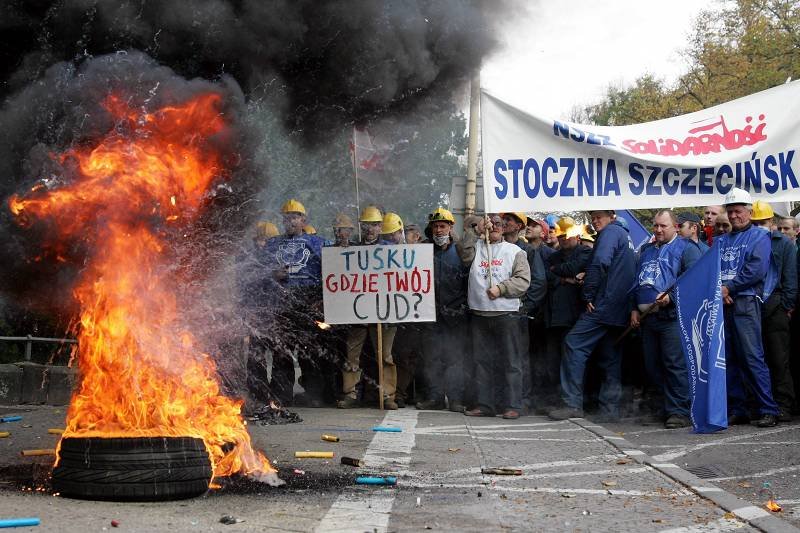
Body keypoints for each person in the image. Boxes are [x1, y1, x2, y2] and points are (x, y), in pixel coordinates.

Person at [549, 210, 635, 422]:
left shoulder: (610, 233)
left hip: (603, 304)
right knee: (609, 356)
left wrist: (588, 294)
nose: (595, 221)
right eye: (593, 217)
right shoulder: (625, 236)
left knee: (573, 343)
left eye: (599, 217)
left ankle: (572, 404)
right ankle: (610, 410)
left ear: (611, 216)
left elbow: (600, 263)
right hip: (620, 306)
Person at [630, 210, 702, 429]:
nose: (658, 230)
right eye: (656, 226)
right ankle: (664, 407)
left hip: (672, 317)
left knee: (674, 364)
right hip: (648, 318)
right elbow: (638, 282)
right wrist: (633, 308)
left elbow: (694, 281)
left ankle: (679, 411)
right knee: (652, 366)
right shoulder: (646, 251)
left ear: (675, 227)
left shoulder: (687, 249)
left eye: (663, 226)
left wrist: (671, 297)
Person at [717, 188, 780, 427]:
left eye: (738, 211)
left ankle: (768, 409)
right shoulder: (721, 240)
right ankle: (738, 408)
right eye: (730, 212)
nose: (733, 216)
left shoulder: (759, 236)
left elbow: (756, 269)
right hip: (724, 302)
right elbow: (712, 269)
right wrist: (721, 290)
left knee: (753, 357)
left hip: (745, 302)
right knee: (729, 358)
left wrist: (728, 288)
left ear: (750, 212)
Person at [459, 214, 531, 419]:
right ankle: (485, 404)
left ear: (505, 228)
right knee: (481, 361)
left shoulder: (515, 251)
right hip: (480, 313)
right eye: (490, 225)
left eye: (499, 224)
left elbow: (523, 281)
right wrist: (475, 231)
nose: (495, 228)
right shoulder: (477, 247)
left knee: (511, 361)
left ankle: (513, 405)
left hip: (506, 313)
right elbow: (463, 256)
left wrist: (501, 288)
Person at [262, 199, 329, 406]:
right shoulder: (273, 244)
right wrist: (273, 273)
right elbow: (259, 269)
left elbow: (333, 269)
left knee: (311, 349)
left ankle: (314, 395)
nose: (291, 221)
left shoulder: (318, 242)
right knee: (282, 350)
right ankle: (282, 396)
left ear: (304, 219)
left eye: (295, 217)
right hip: (283, 301)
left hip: (310, 300)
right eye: (287, 218)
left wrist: (321, 299)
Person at [338, 206, 399, 410]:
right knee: (352, 354)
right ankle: (350, 393)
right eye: (366, 225)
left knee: (385, 356)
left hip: (384, 311)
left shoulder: (391, 250)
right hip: (358, 311)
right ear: (361, 227)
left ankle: (388, 395)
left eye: (374, 225)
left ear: (381, 226)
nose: (370, 229)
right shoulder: (352, 249)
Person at [416, 207, 469, 412]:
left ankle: (455, 399)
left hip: (455, 314)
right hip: (430, 313)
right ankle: (435, 397)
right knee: (432, 358)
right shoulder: (423, 250)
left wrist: (463, 307)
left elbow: (469, 281)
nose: (439, 230)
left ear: (450, 227)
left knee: (455, 358)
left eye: (442, 226)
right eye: (435, 226)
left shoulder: (461, 250)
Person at [751, 201, 797, 422]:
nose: (760, 226)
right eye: (756, 222)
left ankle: (784, 405)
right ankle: (763, 404)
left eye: (763, 222)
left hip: (775, 305)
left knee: (779, 359)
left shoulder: (784, 244)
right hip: (752, 306)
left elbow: (790, 278)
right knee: (758, 359)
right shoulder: (748, 243)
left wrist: (785, 306)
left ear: (772, 222)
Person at [539, 219, 591, 413]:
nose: (561, 239)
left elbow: (571, 267)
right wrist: (568, 279)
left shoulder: (585, 252)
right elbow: (546, 275)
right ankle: (557, 400)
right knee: (552, 361)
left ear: (576, 236)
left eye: (564, 236)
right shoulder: (554, 255)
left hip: (574, 315)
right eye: (559, 236)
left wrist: (561, 273)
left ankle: (574, 402)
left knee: (571, 360)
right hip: (554, 316)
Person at [502, 212, 547, 414]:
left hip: (517, 313)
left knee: (518, 358)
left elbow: (539, 281)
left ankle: (522, 401)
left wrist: (524, 306)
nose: (504, 223)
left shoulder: (527, 250)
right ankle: (504, 399)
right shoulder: (497, 247)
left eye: (509, 220)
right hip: (499, 313)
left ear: (518, 225)